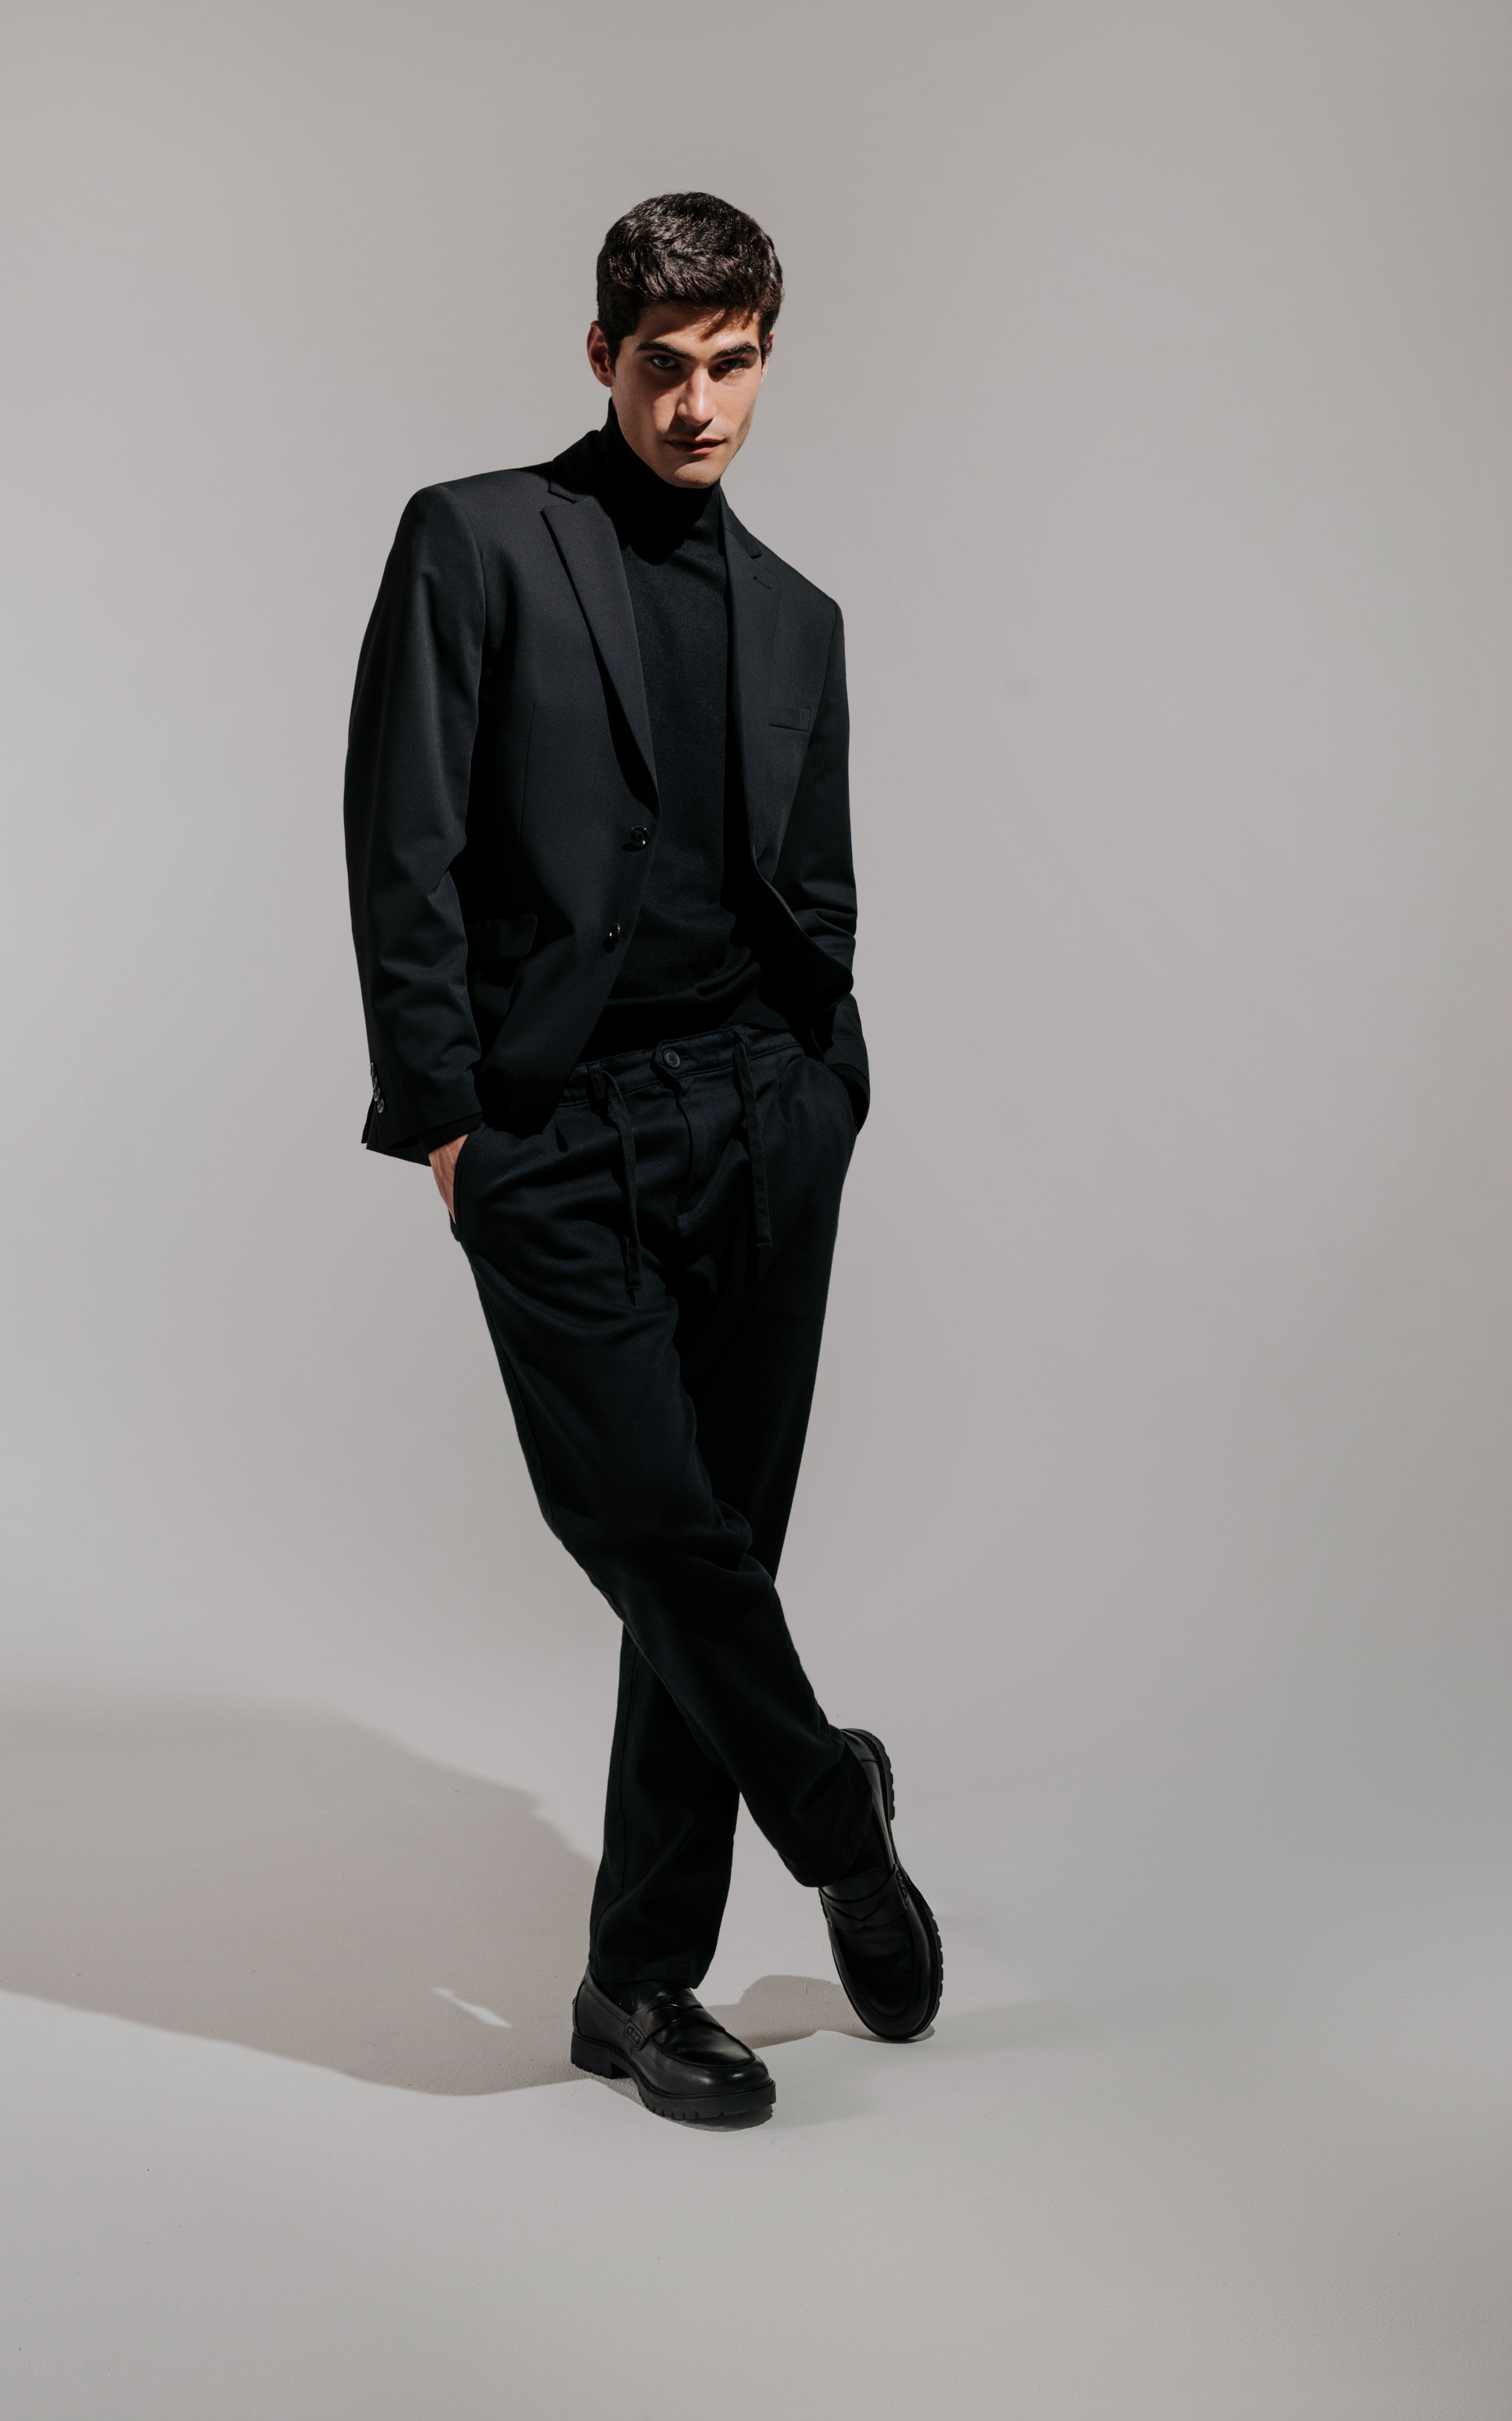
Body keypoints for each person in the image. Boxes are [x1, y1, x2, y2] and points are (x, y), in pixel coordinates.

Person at [343, 192, 940, 2125]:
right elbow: (402, 838)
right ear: (601, 354)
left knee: (716, 1557)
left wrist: (825, 1088)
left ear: (768, 356)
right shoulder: (477, 542)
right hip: (553, 1131)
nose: (700, 406)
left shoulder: (802, 619)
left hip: (765, 1118)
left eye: (734, 364)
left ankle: (639, 1984)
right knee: (651, 1529)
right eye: (666, 365)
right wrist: (448, 1120)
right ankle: (838, 1819)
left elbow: (816, 892)